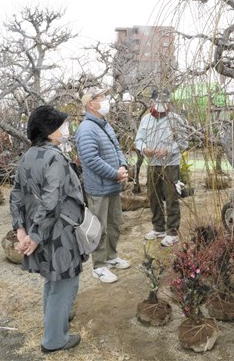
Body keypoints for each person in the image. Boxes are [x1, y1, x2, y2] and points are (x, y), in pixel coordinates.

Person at [10, 105, 85, 354]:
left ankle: (54, 325)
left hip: (40, 230)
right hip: (58, 234)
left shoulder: (28, 156)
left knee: (52, 282)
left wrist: (22, 230)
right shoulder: (55, 158)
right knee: (65, 283)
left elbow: (16, 196)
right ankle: (54, 340)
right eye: (61, 126)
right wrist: (34, 235)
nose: (66, 129)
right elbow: (52, 201)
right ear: (50, 132)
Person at [75, 87, 130, 284]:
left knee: (115, 223)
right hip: (99, 188)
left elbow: (117, 148)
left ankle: (112, 256)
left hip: (113, 185)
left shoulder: (105, 125)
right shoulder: (86, 129)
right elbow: (90, 159)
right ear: (91, 104)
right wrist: (114, 173)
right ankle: (99, 266)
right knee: (99, 228)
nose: (106, 100)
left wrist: (123, 166)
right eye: (102, 97)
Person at [135, 89, 189, 247]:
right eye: (158, 102)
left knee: (171, 197)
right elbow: (138, 140)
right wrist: (144, 148)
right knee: (154, 196)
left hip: (170, 164)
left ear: (169, 102)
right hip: (152, 164)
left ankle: (172, 232)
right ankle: (158, 227)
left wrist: (168, 150)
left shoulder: (176, 119)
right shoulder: (145, 120)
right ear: (152, 102)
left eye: (165, 102)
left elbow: (184, 142)